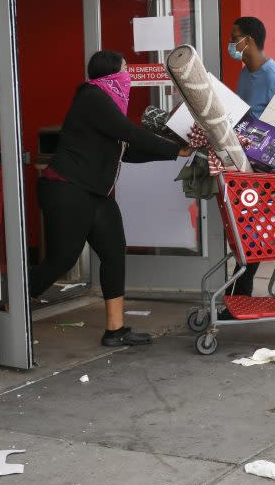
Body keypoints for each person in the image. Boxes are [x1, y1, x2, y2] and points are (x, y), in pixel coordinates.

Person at [30, 50, 193, 346]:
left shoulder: (108, 105)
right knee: (61, 259)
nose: (128, 75)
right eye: (125, 69)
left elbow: (125, 151)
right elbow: (129, 133)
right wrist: (172, 148)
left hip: (96, 194)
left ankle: (115, 330)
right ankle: (12, 305)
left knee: (114, 252)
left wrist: (175, 153)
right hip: (67, 189)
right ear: (110, 74)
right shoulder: (92, 97)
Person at [227, 16, 275, 297]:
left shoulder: (274, 77)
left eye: (234, 38)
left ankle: (237, 296)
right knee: (252, 230)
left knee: (254, 230)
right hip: (248, 163)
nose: (231, 44)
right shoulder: (245, 73)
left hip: (269, 167)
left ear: (248, 41)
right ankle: (237, 295)